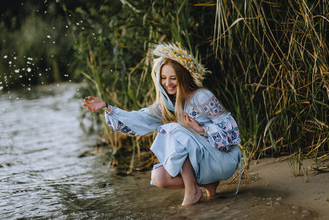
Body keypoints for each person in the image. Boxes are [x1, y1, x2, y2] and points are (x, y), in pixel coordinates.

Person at [83, 43, 241, 206]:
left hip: (224, 158)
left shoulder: (201, 96)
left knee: (171, 129)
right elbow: (139, 119)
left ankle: (192, 191)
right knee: (158, 177)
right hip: (204, 162)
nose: (168, 83)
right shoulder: (166, 105)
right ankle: (208, 185)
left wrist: (201, 129)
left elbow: (232, 133)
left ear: (183, 77)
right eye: (163, 78)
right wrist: (108, 108)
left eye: (173, 78)